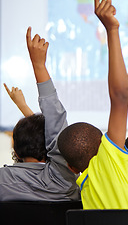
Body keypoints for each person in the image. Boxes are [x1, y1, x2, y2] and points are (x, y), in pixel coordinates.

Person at [57, 0, 128, 209]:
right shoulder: (109, 162)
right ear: (105, 144)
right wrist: (112, 30)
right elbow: (120, 95)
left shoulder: (85, 195)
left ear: (72, 168)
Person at [0, 27, 80, 201]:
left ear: (16, 149)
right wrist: (39, 66)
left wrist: (23, 107)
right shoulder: (63, 182)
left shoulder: (3, 181)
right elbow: (55, 126)